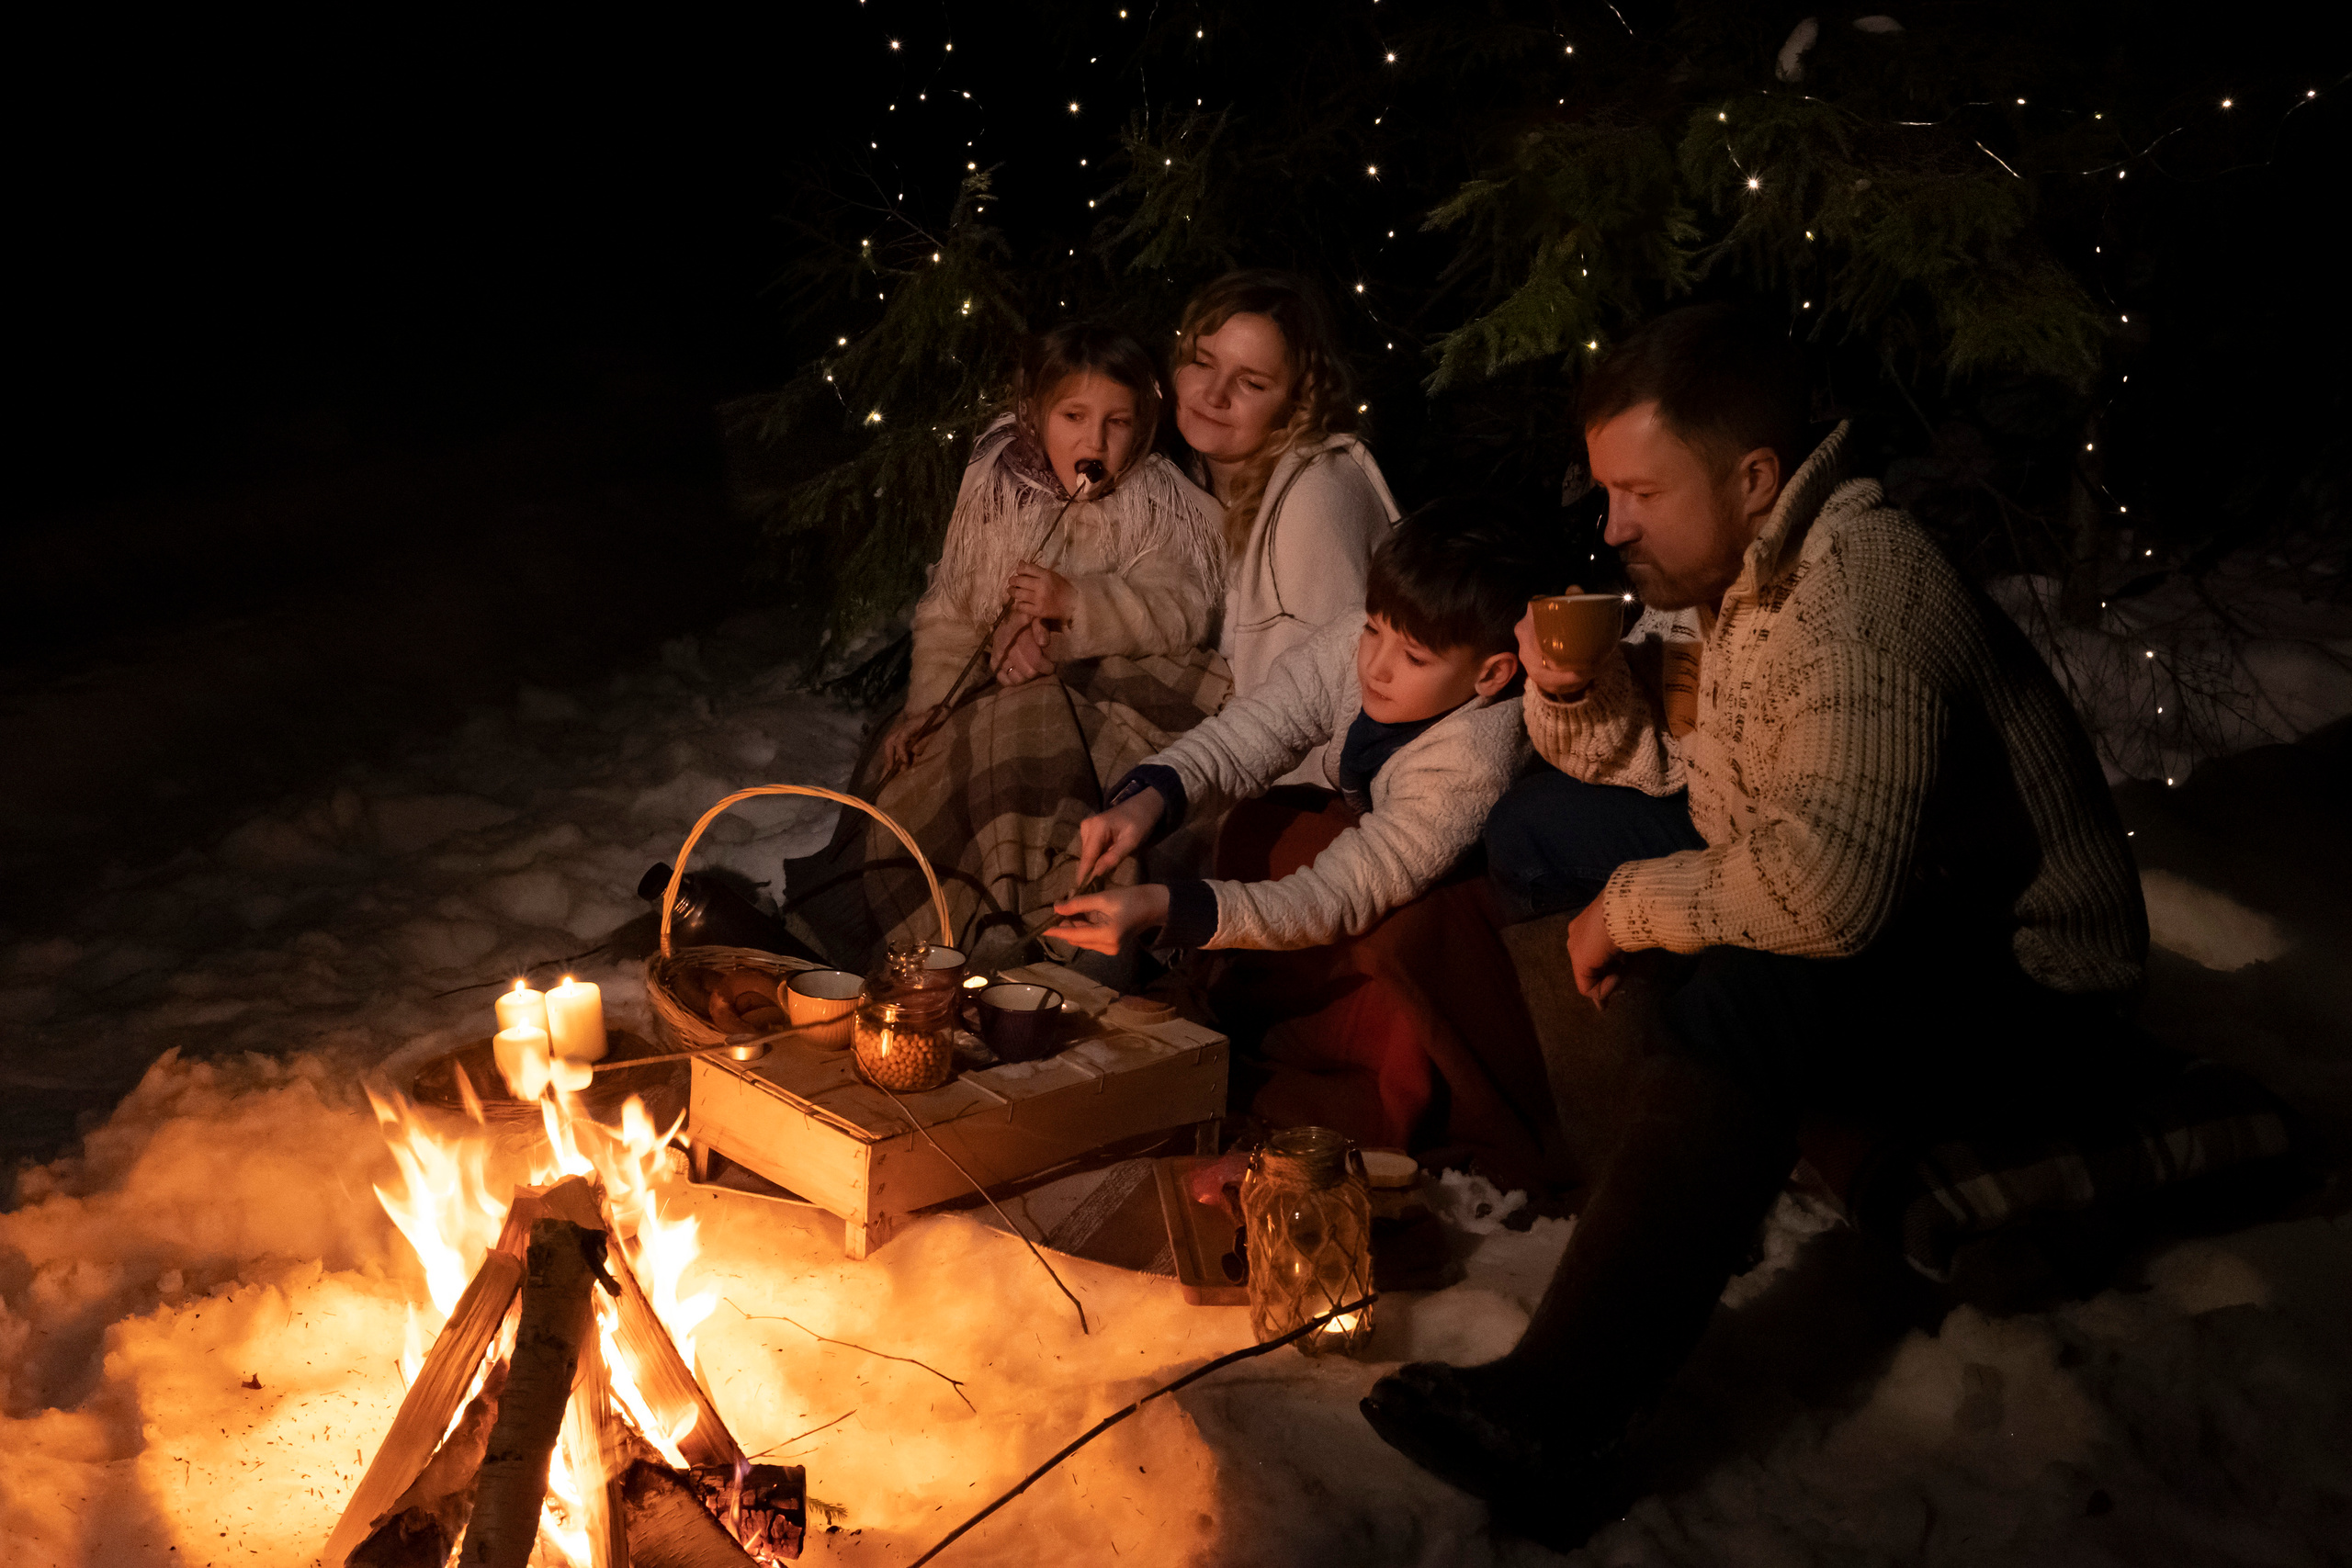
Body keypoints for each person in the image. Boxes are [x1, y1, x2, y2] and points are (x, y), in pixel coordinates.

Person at [1357, 304, 2150, 1548]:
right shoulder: (1733, 576)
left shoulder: (1863, 596)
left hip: (2027, 979)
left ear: (1753, 477)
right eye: (1604, 491)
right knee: (1542, 828)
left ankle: (1567, 1407)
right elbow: (1675, 772)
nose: (1611, 524)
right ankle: (1646, 1176)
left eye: (1637, 492)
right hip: (1902, 906)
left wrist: (1637, 907)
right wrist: (1573, 695)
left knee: (1747, 978)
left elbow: (1827, 889)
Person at [1046, 500, 1564, 1179]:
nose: (1376, 665)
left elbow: (1337, 893)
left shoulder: (1469, 761)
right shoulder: (1366, 644)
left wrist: (1166, 909)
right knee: (1267, 820)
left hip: (1448, 908)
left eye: (1410, 656)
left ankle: (1359, 1091)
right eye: (1374, 631)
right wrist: (1148, 801)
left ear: (1490, 674)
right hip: (1372, 862)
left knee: (1396, 943)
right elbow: (1257, 728)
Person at [784, 323, 1227, 971]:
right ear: (1036, 413)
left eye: (1118, 422)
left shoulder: (1153, 501)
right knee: (937, 760)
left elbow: (1178, 609)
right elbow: (954, 608)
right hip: (999, 685)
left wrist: (1076, 610)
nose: (1094, 441)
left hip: (1113, 698)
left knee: (1036, 727)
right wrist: (931, 704)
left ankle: (1064, 925)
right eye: (1073, 416)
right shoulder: (998, 487)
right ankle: (953, 923)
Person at [1171, 270, 1401, 787]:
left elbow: (1319, 707)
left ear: (1297, 403)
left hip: (1279, 785)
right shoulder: (1174, 473)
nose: (1213, 393)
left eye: (1251, 383)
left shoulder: (1319, 495)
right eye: (1202, 363)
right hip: (1220, 746)